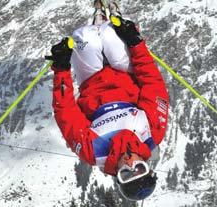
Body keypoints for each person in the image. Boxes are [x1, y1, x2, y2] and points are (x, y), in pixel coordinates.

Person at [46, 0, 169, 201]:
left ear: (117, 176)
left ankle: (98, 16)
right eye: (139, 168)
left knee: (85, 37)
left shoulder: (93, 151)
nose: (130, 165)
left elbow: (65, 113)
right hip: (124, 70)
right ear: (147, 164)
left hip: (91, 79)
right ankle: (113, 14)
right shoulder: (152, 132)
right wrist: (135, 43)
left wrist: (61, 69)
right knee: (111, 34)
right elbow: (152, 84)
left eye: (126, 174)